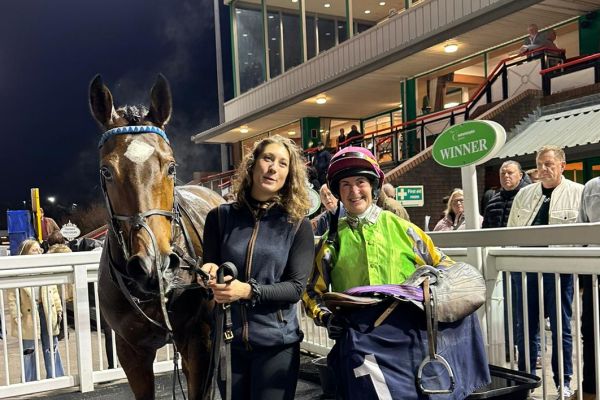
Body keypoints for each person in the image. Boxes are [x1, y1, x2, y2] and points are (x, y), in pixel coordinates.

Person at [303, 146, 489, 399]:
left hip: (409, 339)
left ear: (373, 186)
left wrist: (430, 293)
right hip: (361, 344)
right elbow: (312, 292)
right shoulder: (330, 241)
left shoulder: (405, 229)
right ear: (338, 191)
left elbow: (445, 267)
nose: (354, 191)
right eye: (345, 185)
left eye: (360, 182)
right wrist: (326, 318)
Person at [200, 135, 314, 400]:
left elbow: (295, 288)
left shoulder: (298, 224)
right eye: (268, 159)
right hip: (229, 342)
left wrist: (247, 291)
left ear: (289, 175)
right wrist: (207, 272)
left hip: (277, 345)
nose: (273, 168)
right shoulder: (219, 217)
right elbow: (210, 263)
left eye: (283, 163)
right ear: (252, 165)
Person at [508, 145, 583, 399]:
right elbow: (511, 231)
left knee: (562, 328)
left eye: (549, 164)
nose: (543, 169)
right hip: (525, 270)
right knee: (526, 328)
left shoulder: (578, 193)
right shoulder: (525, 194)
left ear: (562, 166)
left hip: (559, 271)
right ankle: (525, 383)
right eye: (540, 164)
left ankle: (564, 381)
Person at [481, 161, 532, 364]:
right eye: (503, 173)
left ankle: (531, 351)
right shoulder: (493, 201)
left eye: (510, 173)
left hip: (522, 261)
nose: (506, 176)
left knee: (525, 310)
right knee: (504, 310)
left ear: (520, 175)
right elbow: (486, 231)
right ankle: (508, 349)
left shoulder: (529, 197)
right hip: (498, 263)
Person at [8, 239, 65, 382]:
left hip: (47, 310)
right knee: (29, 349)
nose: (38, 252)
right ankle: (29, 380)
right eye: (34, 250)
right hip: (27, 314)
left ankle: (56, 376)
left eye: (39, 249)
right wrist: (15, 315)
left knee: (52, 345)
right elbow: (12, 296)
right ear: (25, 253)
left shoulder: (45, 268)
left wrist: (59, 309)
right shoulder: (17, 272)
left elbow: (53, 291)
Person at [577, 176, 600, 400]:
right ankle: (591, 388)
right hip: (594, 268)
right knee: (591, 329)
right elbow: (580, 228)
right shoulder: (592, 186)